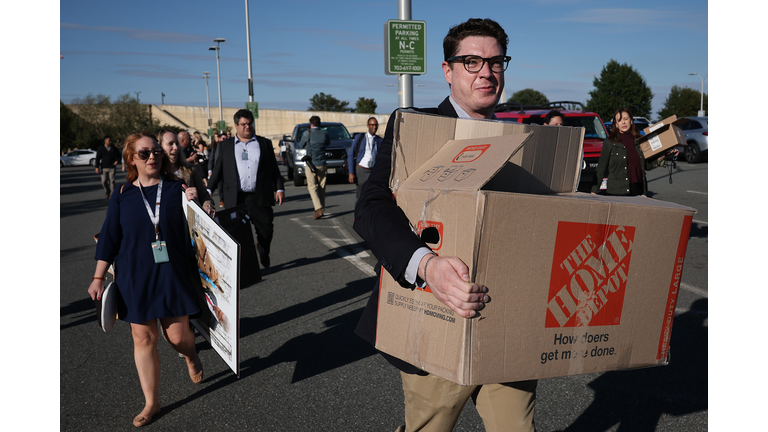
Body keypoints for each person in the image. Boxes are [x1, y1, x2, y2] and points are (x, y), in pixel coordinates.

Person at [353, 18, 536, 432]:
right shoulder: (414, 127)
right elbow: (371, 207)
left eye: (495, 62)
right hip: (433, 318)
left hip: (505, 324)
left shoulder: (522, 142)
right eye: (472, 62)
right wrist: (426, 265)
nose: (486, 72)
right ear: (447, 71)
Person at [88, 131, 203, 428]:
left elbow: (202, 228)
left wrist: (197, 204)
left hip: (171, 274)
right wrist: (98, 276)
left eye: (156, 152)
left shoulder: (177, 188)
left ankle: (190, 354)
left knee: (178, 337)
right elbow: (109, 238)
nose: (153, 157)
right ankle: (152, 402)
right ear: (131, 159)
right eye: (144, 153)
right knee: (144, 339)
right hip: (134, 276)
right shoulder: (122, 194)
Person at [208, 109, 285, 269]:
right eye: (243, 124)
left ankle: (263, 250)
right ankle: (244, 268)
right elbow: (218, 170)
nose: (247, 127)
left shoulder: (264, 143)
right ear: (236, 125)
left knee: (266, 230)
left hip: (259, 195)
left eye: (250, 124)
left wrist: (280, 188)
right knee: (237, 235)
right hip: (236, 197)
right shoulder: (226, 146)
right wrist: (208, 191)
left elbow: (273, 168)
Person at [590, 107, 677, 196]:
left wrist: (664, 155)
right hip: (617, 191)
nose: (623, 122)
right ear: (616, 124)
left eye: (626, 119)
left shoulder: (640, 141)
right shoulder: (609, 142)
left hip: (638, 189)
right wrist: (594, 191)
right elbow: (601, 168)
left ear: (631, 121)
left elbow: (646, 165)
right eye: (619, 120)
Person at [157, 129, 215, 216]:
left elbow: (204, 196)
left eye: (177, 143)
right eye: (170, 144)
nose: (176, 147)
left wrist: (208, 206)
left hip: (189, 220)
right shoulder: (156, 174)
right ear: (159, 147)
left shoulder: (190, 170)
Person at [298, 115, 330, 219]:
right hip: (322, 163)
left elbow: (301, 145)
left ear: (311, 124)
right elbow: (328, 143)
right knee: (322, 187)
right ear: (319, 124)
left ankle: (318, 208)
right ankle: (322, 209)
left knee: (312, 187)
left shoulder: (307, 133)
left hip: (311, 163)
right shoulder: (325, 133)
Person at [347, 117, 383, 200]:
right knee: (361, 196)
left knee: (373, 195)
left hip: (373, 171)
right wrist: (351, 173)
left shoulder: (379, 140)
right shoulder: (360, 138)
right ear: (368, 126)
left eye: (376, 125)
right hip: (362, 170)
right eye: (372, 125)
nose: (374, 127)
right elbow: (351, 155)